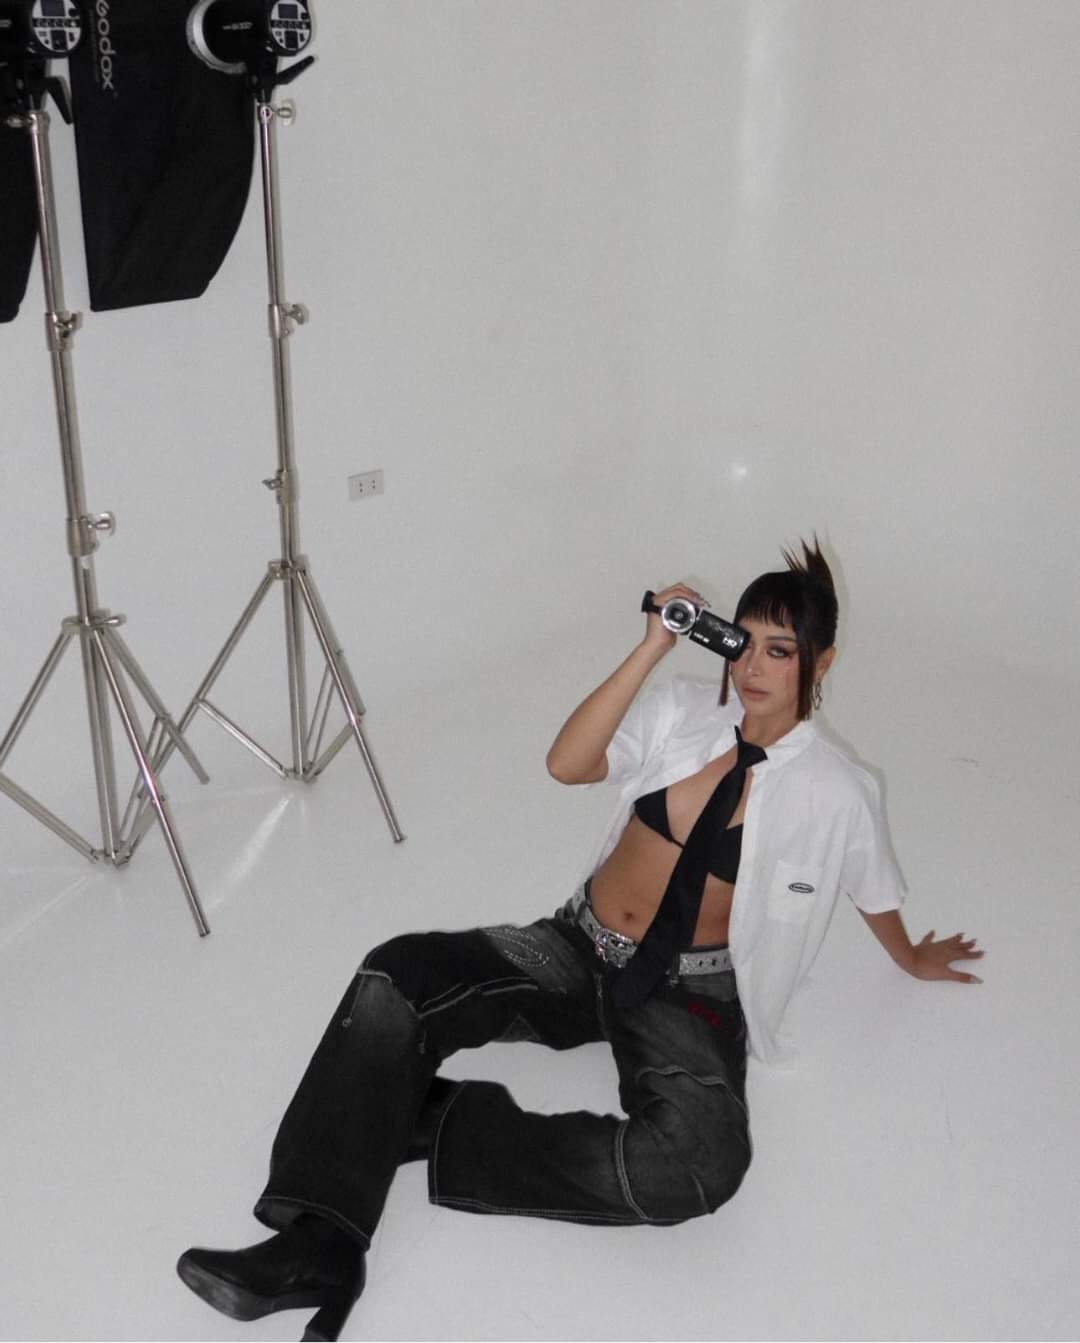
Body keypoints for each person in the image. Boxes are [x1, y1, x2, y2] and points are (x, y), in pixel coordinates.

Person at [177, 540, 983, 1341]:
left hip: (686, 991)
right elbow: (567, 763)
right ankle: (319, 1243)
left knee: (701, 1162)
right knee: (400, 973)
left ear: (822, 660)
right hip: (576, 946)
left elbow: (871, 886)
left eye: (781, 651)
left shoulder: (837, 790)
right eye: (744, 642)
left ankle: (428, 1119)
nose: (752, 668)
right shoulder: (682, 713)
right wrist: (651, 646)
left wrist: (912, 957)